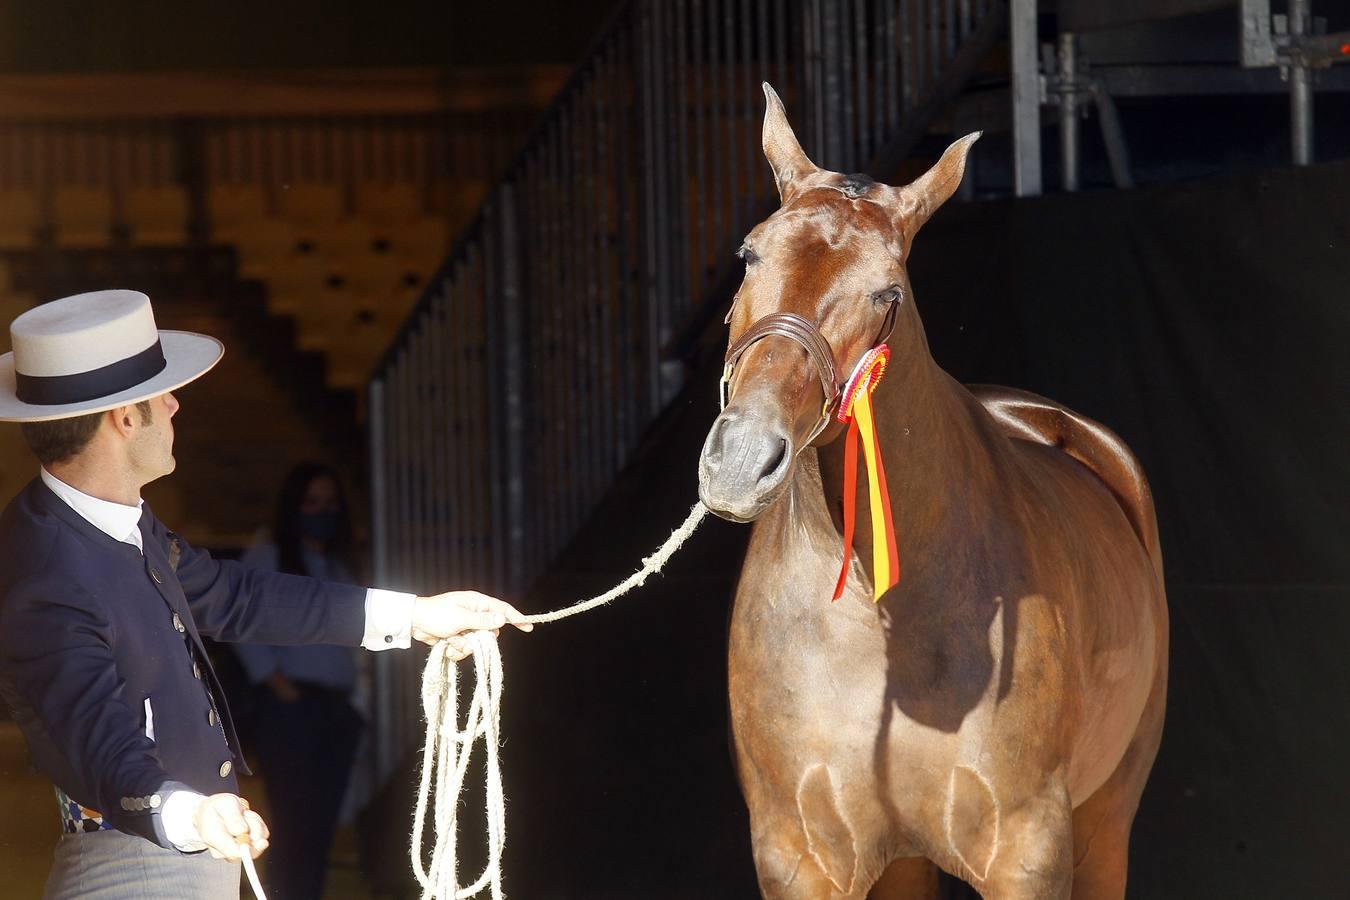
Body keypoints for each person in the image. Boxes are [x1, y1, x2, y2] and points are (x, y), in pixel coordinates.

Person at [0, 289, 531, 899]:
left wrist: (414, 615)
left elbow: (234, 594)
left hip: (172, 857)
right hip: (140, 867)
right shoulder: (45, 571)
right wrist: (192, 814)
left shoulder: (107, 521)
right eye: (164, 396)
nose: (175, 405)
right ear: (125, 417)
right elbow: (96, 741)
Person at [233, 462, 366, 900]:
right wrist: (276, 683)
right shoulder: (270, 557)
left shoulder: (337, 566)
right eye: (312, 503)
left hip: (335, 710)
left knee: (321, 829)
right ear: (294, 507)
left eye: (329, 504)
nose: (322, 512)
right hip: (293, 709)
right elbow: (238, 623)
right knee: (292, 827)